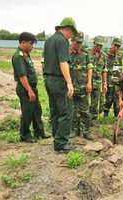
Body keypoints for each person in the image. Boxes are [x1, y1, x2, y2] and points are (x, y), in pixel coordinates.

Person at [43, 17, 78, 152]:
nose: (71, 37)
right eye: (72, 34)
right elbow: (63, 63)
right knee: (66, 111)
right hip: (58, 81)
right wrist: (69, 83)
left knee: (55, 110)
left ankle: (57, 138)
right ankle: (61, 144)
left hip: (48, 79)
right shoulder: (62, 41)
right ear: (68, 29)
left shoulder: (49, 40)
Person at [12, 32, 50, 143]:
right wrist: (29, 91)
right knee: (27, 113)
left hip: (32, 88)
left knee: (37, 111)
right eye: (30, 44)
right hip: (26, 89)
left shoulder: (25, 54)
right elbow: (22, 76)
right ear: (23, 42)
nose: (32, 46)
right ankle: (25, 135)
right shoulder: (18, 56)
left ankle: (39, 132)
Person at [69, 32, 94, 140]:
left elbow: (89, 68)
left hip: (83, 86)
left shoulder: (85, 53)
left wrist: (89, 82)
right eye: (77, 42)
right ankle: (75, 130)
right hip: (71, 87)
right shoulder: (66, 53)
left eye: (80, 42)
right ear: (72, 41)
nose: (78, 44)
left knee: (84, 110)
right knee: (73, 110)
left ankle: (86, 131)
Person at [89, 36, 107, 123]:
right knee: (84, 102)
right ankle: (83, 119)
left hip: (97, 83)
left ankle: (92, 120)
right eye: (97, 45)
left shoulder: (103, 56)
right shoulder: (87, 53)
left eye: (101, 45)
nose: (99, 47)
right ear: (93, 43)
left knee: (95, 102)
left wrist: (105, 83)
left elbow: (104, 70)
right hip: (86, 82)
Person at [103, 38, 123, 117]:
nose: (116, 48)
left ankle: (116, 114)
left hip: (116, 81)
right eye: (115, 45)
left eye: (118, 46)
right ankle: (105, 113)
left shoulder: (119, 56)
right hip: (107, 80)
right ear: (111, 44)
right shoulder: (104, 55)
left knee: (116, 99)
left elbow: (120, 68)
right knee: (108, 99)